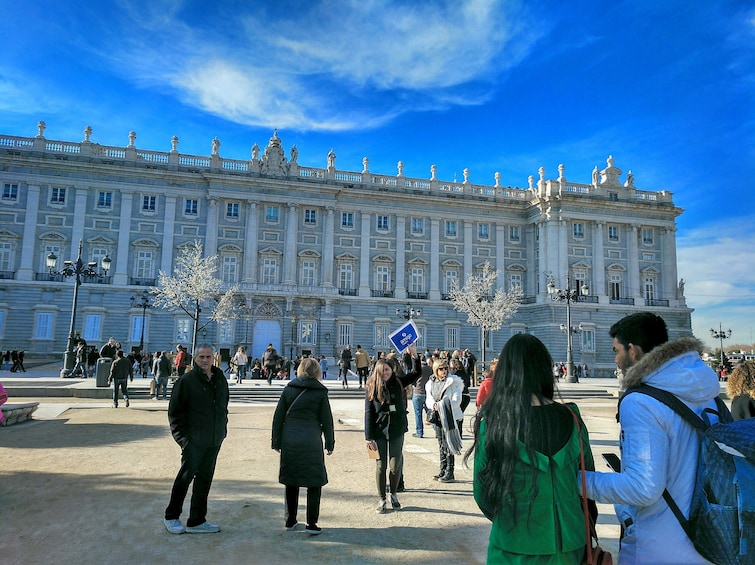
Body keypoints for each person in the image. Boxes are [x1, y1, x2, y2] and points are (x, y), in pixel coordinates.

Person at [584, 312, 721, 564]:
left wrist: (581, 481)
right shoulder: (708, 393)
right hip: (711, 542)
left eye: (617, 350)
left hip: (658, 546)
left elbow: (643, 487)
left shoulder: (640, 401)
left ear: (633, 351)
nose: (615, 359)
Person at [464, 333, 594, 564]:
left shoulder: (493, 422)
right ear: (544, 369)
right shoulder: (572, 417)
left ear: (504, 373)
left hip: (513, 543)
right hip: (570, 542)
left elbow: (481, 492)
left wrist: (507, 519)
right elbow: (587, 480)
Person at [164, 344, 229, 535]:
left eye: (208, 357)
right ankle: (171, 516)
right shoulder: (186, 381)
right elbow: (174, 413)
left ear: (213, 358)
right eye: (201, 357)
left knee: (204, 480)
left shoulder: (219, 379)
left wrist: (222, 430)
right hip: (194, 441)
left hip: (214, 440)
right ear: (195, 358)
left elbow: (224, 405)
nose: (205, 360)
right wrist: (184, 440)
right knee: (185, 478)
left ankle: (197, 520)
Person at [271, 357, 335, 535]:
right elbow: (327, 421)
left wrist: (276, 441)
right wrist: (330, 443)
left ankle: (290, 519)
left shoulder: (289, 389)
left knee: (291, 480)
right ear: (317, 372)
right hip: (312, 440)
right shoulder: (320, 392)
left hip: (290, 439)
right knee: (314, 481)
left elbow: (278, 418)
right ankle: (311, 523)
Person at [365, 343, 420, 513]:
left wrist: (414, 355)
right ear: (377, 372)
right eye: (382, 370)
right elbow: (368, 413)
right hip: (379, 431)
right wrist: (368, 437)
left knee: (395, 465)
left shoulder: (398, 382)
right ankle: (382, 498)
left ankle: (393, 493)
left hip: (396, 429)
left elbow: (416, 373)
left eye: (387, 369)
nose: (385, 373)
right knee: (381, 466)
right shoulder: (371, 387)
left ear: (392, 370)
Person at [426, 358, 464, 482]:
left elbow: (457, 400)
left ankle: (450, 471)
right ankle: (442, 469)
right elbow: (429, 398)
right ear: (436, 370)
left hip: (450, 416)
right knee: (441, 443)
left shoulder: (453, 382)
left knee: (449, 443)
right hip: (438, 417)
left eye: (446, 368)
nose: (444, 371)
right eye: (441, 369)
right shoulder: (432, 382)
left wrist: (442, 405)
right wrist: (434, 405)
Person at [411, 356, 433, 438]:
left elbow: (412, 380)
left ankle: (419, 432)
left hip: (417, 392)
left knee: (418, 414)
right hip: (427, 393)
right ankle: (436, 428)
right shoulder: (430, 369)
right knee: (430, 413)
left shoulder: (417, 369)